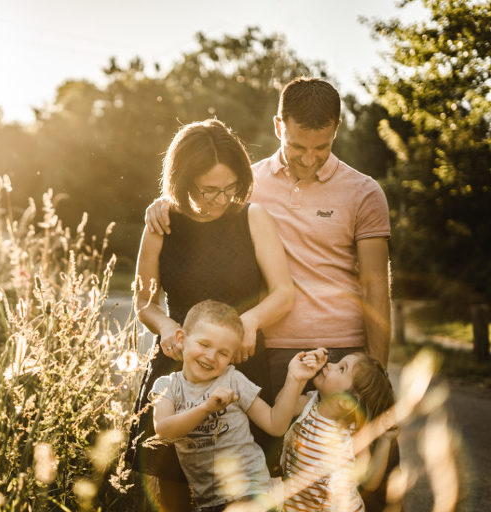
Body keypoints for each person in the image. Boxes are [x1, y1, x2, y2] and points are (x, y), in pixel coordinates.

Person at [143, 78, 397, 502]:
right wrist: (164, 203)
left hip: (343, 352)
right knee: (287, 480)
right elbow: (199, 198)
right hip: (271, 352)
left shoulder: (364, 191)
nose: (310, 159)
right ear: (279, 126)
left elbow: (375, 284)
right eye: (298, 146)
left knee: (370, 480)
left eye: (322, 147)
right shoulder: (246, 183)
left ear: (336, 130)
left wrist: (378, 373)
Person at [127, 119, 295, 511]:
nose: (221, 199)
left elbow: (284, 293)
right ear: (183, 181)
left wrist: (249, 322)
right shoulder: (161, 224)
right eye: (209, 190)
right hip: (179, 366)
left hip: (241, 365)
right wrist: (166, 326)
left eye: (230, 187)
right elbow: (144, 302)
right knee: (171, 484)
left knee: (244, 487)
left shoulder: (253, 217)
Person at [151, 300, 324, 512]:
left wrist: (295, 378)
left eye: (223, 353)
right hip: (209, 501)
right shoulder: (167, 386)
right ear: (181, 339)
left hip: (251, 490)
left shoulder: (233, 380)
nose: (211, 357)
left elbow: (275, 424)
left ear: (231, 357)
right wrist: (205, 408)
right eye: (204, 344)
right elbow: (164, 430)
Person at [281, 352, 398, 512]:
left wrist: (386, 440)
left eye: (342, 368)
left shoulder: (353, 434)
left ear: (346, 401)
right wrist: (297, 378)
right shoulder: (308, 404)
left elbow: (369, 481)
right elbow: (282, 407)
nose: (330, 364)